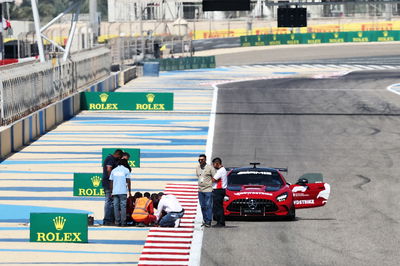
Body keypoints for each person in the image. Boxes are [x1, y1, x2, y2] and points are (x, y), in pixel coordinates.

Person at [102, 149, 123, 225]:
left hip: (109, 183)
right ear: (117, 155)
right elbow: (108, 169)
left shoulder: (109, 157)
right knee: (109, 202)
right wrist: (112, 179)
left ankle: (109, 219)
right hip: (109, 184)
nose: (119, 159)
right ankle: (108, 220)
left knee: (110, 201)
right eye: (119, 157)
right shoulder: (111, 159)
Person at [109, 159, 132, 226]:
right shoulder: (126, 170)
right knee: (123, 207)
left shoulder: (114, 170)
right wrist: (130, 191)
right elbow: (128, 181)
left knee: (116, 207)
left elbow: (111, 182)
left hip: (115, 191)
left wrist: (111, 191)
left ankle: (117, 222)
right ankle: (123, 222)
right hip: (123, 191)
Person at [196, 154, 215, 227]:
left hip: (208, 190)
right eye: (199, 160)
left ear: (205, 160)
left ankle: (209, 221)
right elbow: (198, 176)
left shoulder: (210, 168)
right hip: (200, 190)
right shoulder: (197, 168)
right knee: (202, 206)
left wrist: (209, 184)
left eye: (202, 160)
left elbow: (215, 177)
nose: (200, 161)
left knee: (208, 206)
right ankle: (205, 220)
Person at [212, 157, 227, 227]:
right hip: (221, 190)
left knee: (218, 207)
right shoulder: (223, 170)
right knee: (219, 207)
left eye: (214, 164)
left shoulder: (221, 170)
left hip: (218, 190)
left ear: (217, 163)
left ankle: (220, 222)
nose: (213, 166)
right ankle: (220, 221)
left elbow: (213, 179)